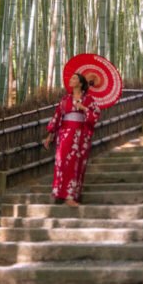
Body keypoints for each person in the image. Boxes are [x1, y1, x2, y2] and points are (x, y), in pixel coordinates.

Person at [42, 71, 100, 206]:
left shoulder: (89, 100)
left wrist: (84, 108)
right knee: (63, 162)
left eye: (74, 78)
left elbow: (96, 114)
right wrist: (49, 136)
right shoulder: (64, 100)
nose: (71, 80)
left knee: (77, 164)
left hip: (80, 136)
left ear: (80, 83)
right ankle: (62, 194)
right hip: (65, 135)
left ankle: (72, 196)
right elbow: (57, 118)